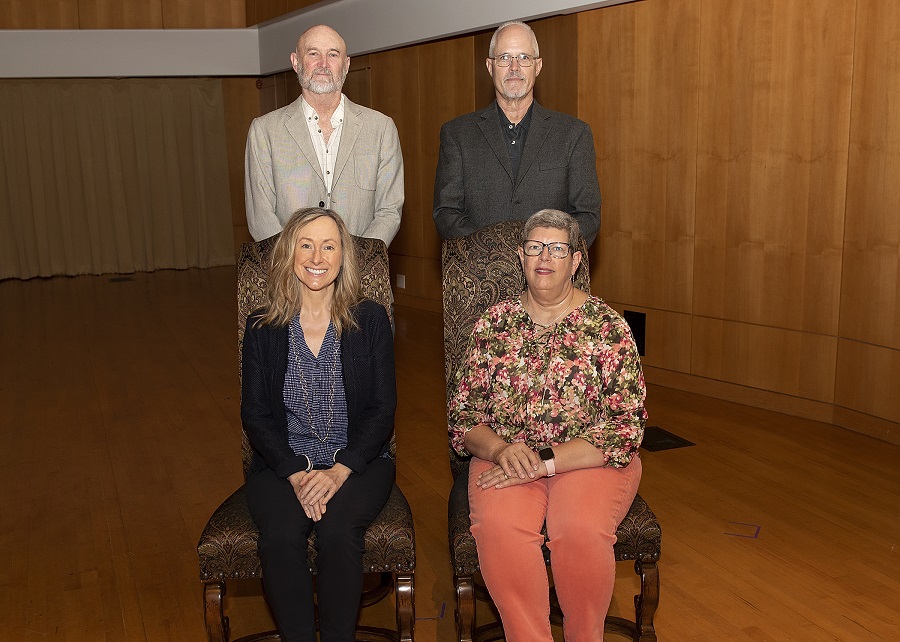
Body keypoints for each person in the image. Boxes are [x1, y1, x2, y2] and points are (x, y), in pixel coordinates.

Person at [448, 209, 645, 641]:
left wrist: (546, 462)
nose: (545, 257)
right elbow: (463, 416)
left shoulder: (608, 327)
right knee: (500, 530)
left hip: (588, 459)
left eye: (557, 249)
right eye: (535, 247)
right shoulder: (493, 324)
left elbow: (624, 428)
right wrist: (499, 449)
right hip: (508, 458)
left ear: (576, 260)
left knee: (579, 529)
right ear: (521, 255)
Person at [241, 208, 396, 641]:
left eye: (329, 245)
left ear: (343, 256)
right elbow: (255, 413)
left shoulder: (370, 319)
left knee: (338, 534)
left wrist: (340, 469)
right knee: (279, 539)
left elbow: (383, 409)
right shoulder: (263, 326)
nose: (317, 256)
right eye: (305, 245)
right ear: (288, 253)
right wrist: (294, 472)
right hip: (283, 462)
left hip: (358, 461)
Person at [433, 21, 601, 246]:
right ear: (490, 66)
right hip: (481, 273)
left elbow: (587, 216)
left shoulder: (574, 134)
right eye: (504, 57)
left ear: (537, 66)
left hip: (549, 274)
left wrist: (543, 252)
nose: (514, 67)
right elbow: (446, 213)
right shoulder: (457, 134)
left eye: (524, 57)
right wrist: (496, 252)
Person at [245, 25, 404, 246]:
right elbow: (260, 216)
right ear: (295, 62)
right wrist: (298, 262)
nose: (323, 64)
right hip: (290, 272)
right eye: (313, 53)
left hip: (359, 269)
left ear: (346, 65)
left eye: (333, 54)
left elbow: (389, 210)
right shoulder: (265, 131)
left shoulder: (381, 128)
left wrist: (357, 261)